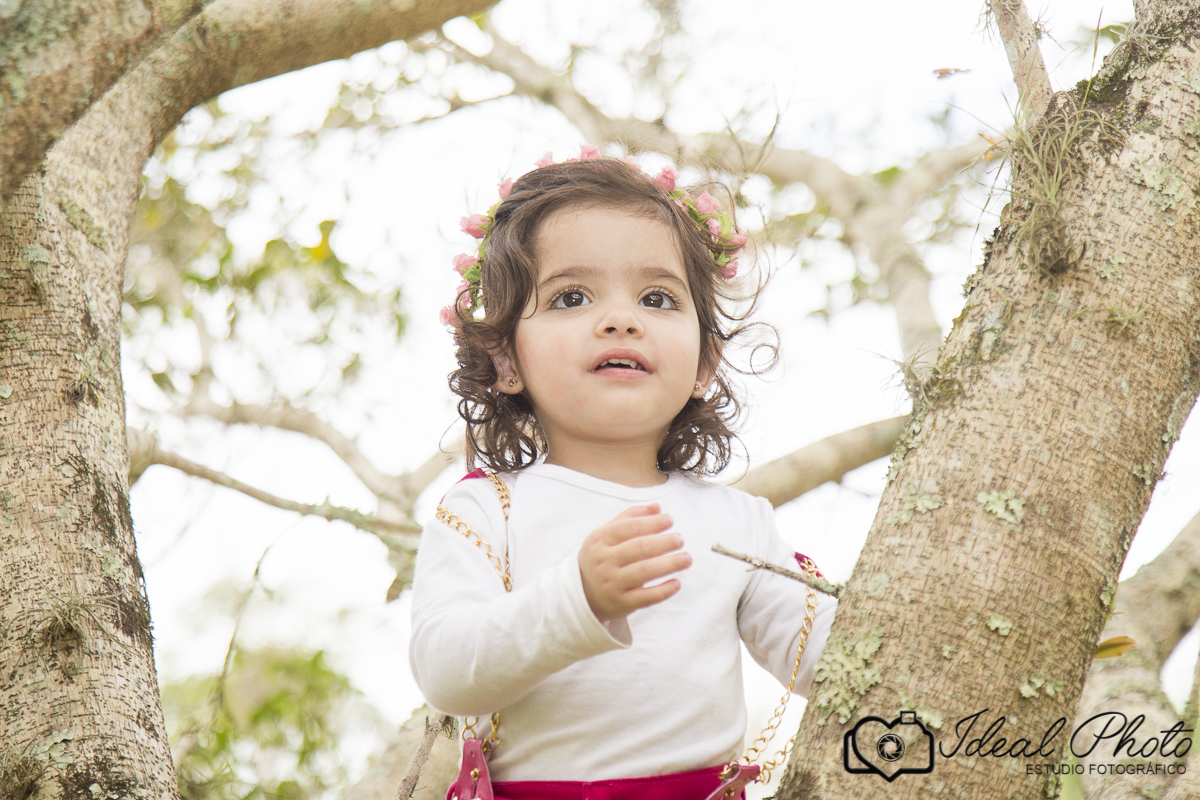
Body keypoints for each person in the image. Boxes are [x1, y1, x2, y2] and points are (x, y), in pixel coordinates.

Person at [409, 147, 837, 799]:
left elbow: (827, 656)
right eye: (571, 296)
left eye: (657, 297)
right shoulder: (486, 510)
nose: (621, 318)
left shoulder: (737, 521)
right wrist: (575, 597)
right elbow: (446, 667)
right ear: (504, 360)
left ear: (704, 364)